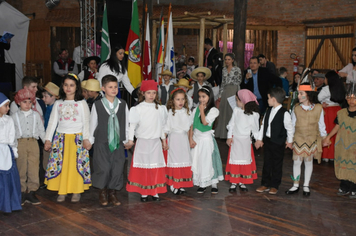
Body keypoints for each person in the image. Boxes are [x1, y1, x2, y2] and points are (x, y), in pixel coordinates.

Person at [44, 74, 91, 203]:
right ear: (62, 87)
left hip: (77, 139)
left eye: (71, 85)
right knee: (62, 165)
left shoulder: (81, 103)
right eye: (66, 85)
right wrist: (48, 139)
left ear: (77, 87)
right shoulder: (58, 103)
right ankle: (62, 190)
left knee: (76, 166)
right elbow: (52, 123)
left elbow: (86, 122)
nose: (68, 88)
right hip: (61, 139)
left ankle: (76, 190)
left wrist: (86, 138)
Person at [89, 75, 130, 206]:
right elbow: (93, 124)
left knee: (117, 168)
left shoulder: (123, 104)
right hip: (102, 141)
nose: (113, 89)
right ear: (103, 88)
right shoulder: (97, 105)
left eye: (115, 87)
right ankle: (102, 192)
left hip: (117, 142)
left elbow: (127, 122)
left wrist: (128, 139)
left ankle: (112, 193)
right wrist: (90, 140)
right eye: (110, 87)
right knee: (103, 168)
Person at [126, 80, 168, 202]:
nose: (151, 95)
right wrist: (130, 140)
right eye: (148, 92)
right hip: (143, 142)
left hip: (155, 142)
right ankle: (144, 192)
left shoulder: (160, 109)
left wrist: (164, 140)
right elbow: (132, 126)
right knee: (144, 168)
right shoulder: (137, 109)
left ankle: (154, 191)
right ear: (143, 93)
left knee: (154, 167)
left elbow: (162, 126)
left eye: (154, 93)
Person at [285, 82, 327, 196]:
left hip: (311, 139)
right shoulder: (296, 108)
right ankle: (295, 185)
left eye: (301, 93)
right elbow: (292, 125)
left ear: (308, 94)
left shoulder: (318, 108)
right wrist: (290, 139)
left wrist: (324, 137)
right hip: (298, 139)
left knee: (309, 162)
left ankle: (306, 185)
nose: (298, 96)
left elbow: (321, 125)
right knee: (297, 162)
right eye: (298, 93)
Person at [255, 87, 294, 195]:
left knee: (277, 164)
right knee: (267, 163)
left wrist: (289, 141)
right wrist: (259, 139)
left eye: (268, 98)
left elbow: (289, 128)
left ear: (273, 99)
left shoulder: (284, 113)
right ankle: (265, 183)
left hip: (278, 142)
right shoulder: (268, 111)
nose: (267, 100)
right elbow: (263, 126)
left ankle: (274, 185)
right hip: (268, 141)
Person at [11, 89, 46, 205]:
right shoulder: (14, 116)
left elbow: (41, 130)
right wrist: (13, 147)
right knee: (21, 167)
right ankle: (21, 191)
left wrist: (46, 141)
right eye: (24, 102)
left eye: (29, 102)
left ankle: (31, 191)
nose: (27, 104)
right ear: (18, 103)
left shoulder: (36, 115)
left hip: (33, 142)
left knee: (34, 167)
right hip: (19, 142)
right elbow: (12, 133)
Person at [323, 83, 356, 198]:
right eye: (349, 97)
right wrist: (328, 137)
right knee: (343, 164)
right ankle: (344, 187)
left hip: (354, 146)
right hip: (342, 144)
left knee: (354, 165)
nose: (351, 100)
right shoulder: (341, 113)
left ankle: (354, 188)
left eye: (354, 98)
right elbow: (337, 127)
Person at [189, 86, 223, 194]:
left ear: (210, 97)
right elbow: (191, 125)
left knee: (209, 161)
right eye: (199, 97)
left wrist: (202, 111)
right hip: (197, 139)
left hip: (206, 139)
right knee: (199, 161)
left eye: (204, 96)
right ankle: (201, 183)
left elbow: (205, 123)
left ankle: (213, 183)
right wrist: (190, 139)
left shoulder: (214, 110)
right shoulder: (195, 110)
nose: (201, 99)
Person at [225, 89, 259, 192]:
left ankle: (242, 182)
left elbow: (255, 129)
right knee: (235, 161)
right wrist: (229, 136)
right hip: (236, 141)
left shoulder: (254, 114)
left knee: (244, 161)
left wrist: (258, 140)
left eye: (237, 100)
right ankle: (234, 182)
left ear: (243, 100)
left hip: (245, 142)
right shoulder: (236, 111)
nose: (236, 102)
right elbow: (232, 124)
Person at [164, 88, 193, 195]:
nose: (180, 102)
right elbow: (166, 129)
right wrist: (164, 141)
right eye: (177, 99)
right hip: (174, 140)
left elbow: (190, 127)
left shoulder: (187, 112)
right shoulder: (169, 113)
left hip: (183, 140)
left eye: (182, 99)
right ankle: (173, 184)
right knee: (174, 161)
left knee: (183, 161)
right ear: (172, 101)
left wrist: (190, 139)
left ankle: (180, 183)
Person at [0, 93, 22, 213]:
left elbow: (12, 137)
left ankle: (9, 203)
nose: (8, 109)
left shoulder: (9, 120)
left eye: (8, 106)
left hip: (6, 151)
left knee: (9, 177)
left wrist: (14, 150)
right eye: (6, 106)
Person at [318, 71, 346, 162]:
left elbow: (319, 97)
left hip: (328, 111)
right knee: (336, 133)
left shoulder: (326, 89)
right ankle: (335, 155)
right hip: (338, 110)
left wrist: (322, 103)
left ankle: (326, 155)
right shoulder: (340, 87)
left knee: (327, 131)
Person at [215, 53, 242, 139]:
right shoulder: (224, 70)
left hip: (234, 90)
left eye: (229, 59)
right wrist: (220, 94)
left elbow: (239, 81)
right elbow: (222, 83)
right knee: (223, 111)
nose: (227, 61)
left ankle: (233, 134)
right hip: (225, 91)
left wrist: (238, 94)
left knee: (232, 111)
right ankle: (223, 134)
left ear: (233, 60)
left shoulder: (237, 69)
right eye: (226, 59)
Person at [41, 82, 59, 189]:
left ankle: (53, 181)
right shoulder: (48, 108)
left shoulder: (55, 109)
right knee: (46, 162)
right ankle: (48, 181)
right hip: (47, 138)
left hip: (54, 140)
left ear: (53, 97)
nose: (43, 98)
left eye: (45, 96)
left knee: (54, 162)